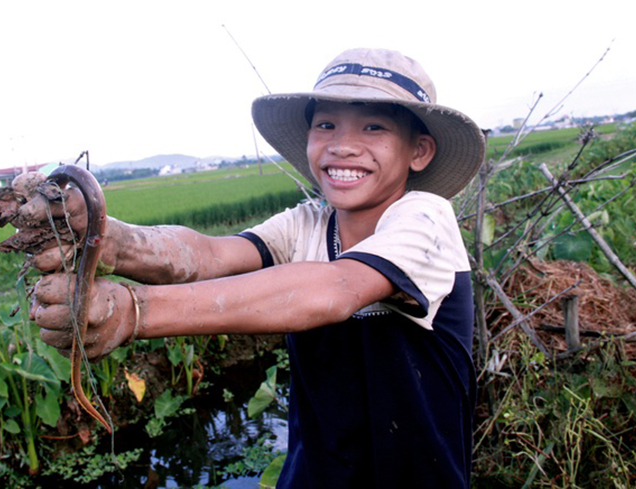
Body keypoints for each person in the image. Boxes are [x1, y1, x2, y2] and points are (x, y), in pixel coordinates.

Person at [27, 47, 486, 487]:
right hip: (315, 476)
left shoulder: (426, 219)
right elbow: (210, 256)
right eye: (326, 124)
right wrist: (107, 238)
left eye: (373, 128)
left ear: (419, 151)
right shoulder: (307, 223)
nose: (344, 146)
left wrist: (133, 311)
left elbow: (335, 289)